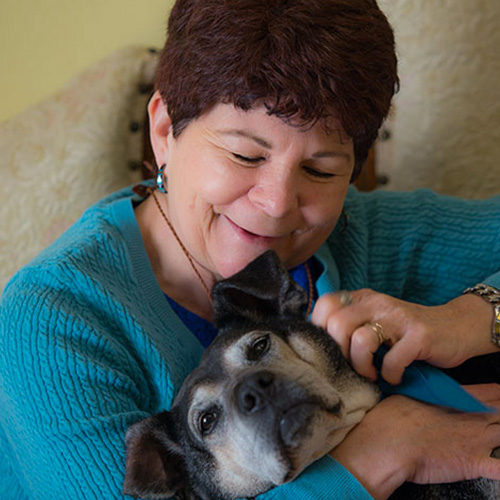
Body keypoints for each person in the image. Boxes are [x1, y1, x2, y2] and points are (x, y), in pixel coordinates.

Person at [1, 0, 500, 499]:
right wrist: (384, 449)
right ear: (163, 131)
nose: (277, 204)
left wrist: (474, 317)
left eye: (321, 169)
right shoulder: (52, 320)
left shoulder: (360, 232)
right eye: (245, 154)